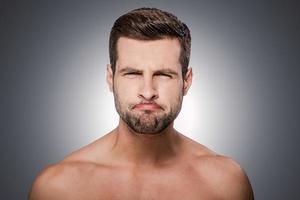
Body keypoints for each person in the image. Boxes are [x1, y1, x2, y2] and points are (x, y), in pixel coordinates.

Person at [29, 7, 254, 200]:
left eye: (164, 75)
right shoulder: (58, 188)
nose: (148, 92)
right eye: (133, 73)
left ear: (186, 81)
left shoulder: (225, 184)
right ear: (110, 78)